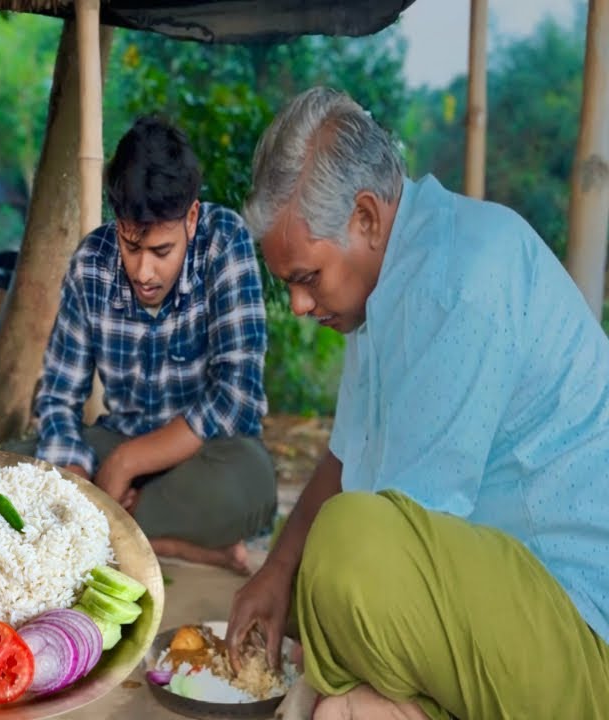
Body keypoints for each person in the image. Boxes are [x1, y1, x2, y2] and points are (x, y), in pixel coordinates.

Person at [226, 87, 609, 719]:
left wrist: (306, 652)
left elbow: (398, 534)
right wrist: (276, 569)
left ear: (367, 219)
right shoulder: (381, 286)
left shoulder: (460, 280)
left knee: (346, 550)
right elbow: (347, 454)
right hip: (487, 607)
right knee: (317, 598)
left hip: (580, 627)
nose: (297, 305)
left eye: (306, 278)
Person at [25, 116, 277, 574]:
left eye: (161, 251)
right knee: (14, 463)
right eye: (130, 245)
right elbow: (59, 399)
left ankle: (96, 530)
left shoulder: (225, 241)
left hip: (206, 457)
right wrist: (78, 475)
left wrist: (124, 464)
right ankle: (166, 542)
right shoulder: (91, 262)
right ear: (118, 224)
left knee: (251, 484)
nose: (143, 272)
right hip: (118, 436)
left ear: (192, 217)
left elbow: (235, 396)